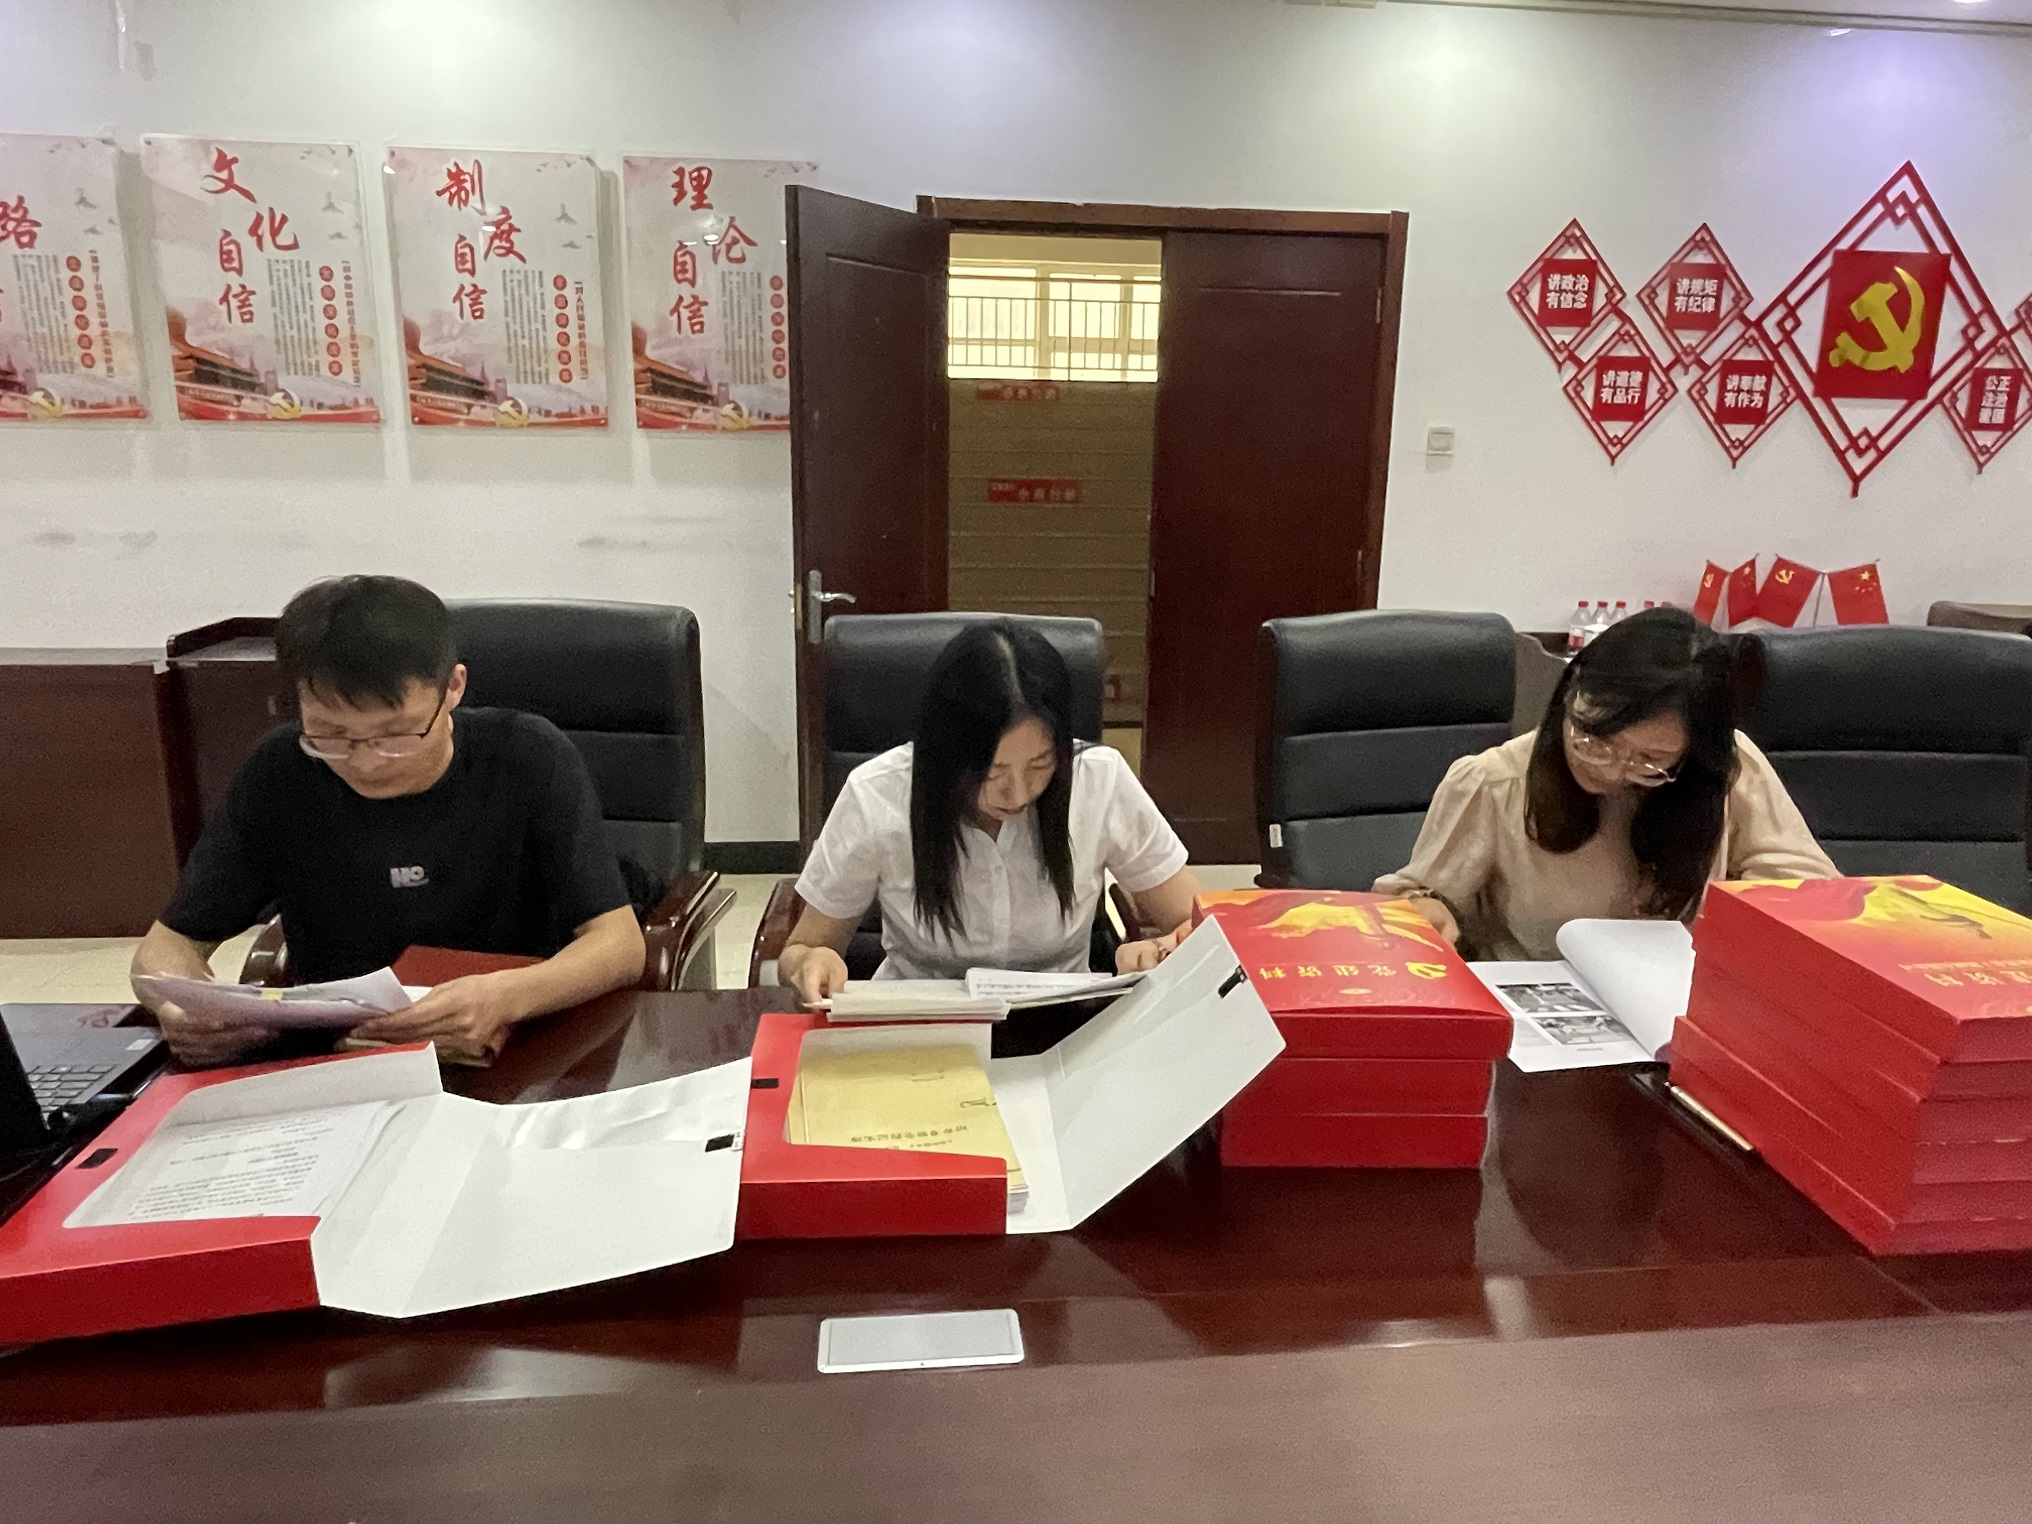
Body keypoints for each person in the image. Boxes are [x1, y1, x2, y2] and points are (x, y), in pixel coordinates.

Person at [131, 576, 645, 1065]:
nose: (367, 761)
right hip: (345, 1060)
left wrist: (502, 997)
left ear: (453, 687)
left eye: (396, 734)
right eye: (332, 735)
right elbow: (167, 947)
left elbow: (619, 945)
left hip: (515, 1050)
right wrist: (183, 1008)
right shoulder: (280, 771)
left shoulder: (527, 756)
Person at [1375, 606, 1835, 960]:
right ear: (1570, 694)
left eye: (1651, 760)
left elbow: (1810, 893)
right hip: (1537, 1018)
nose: (1613, 771)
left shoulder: (1727, 770)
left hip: (1673, 1009)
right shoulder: (1494, 781)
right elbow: (1417, 902)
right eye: (1593, 741)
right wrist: (1426, 911)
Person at [779, 620, 1199, 1005]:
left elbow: (1199, 924)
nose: (1019, 793)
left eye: (1040, 765)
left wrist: (1158, 949)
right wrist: (811, 962)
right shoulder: (878, 793)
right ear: (947, 752)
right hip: (920, 1026)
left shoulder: (1099, 780)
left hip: (1062, 1025)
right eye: (992, 771)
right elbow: (800, 950)